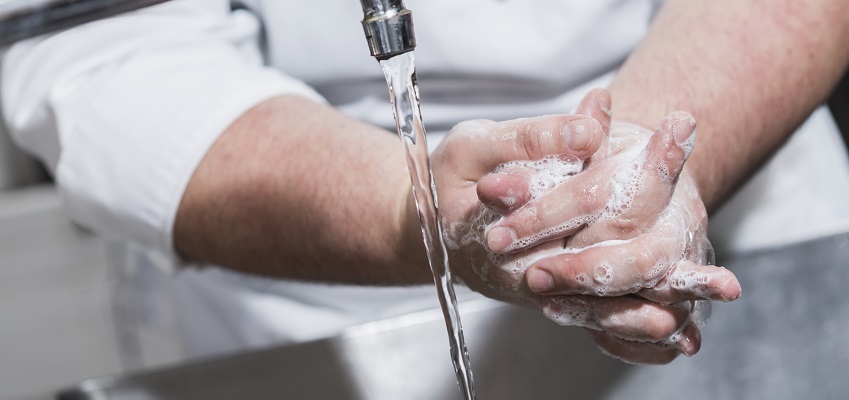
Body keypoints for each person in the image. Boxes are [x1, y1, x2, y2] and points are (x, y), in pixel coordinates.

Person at [2, 0, 848, 366]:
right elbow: (103, 52)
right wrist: (410, 211)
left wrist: (647, 166)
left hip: (745, 189)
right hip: (314, 294)